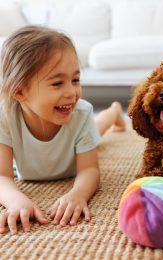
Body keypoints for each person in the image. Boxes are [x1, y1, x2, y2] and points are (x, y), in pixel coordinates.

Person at [0, 25, 126, 234]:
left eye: (75, 80)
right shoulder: (4, 117)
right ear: (20, 91)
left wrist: (78, 194)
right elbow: (2, 176)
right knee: (96, 129)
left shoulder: (81, 113)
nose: (72, 92)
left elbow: (89, 169)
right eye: (58, 83)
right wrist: (16, 201)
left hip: (78, 140)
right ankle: (112, 113)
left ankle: (113, 112)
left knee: (98, 129)